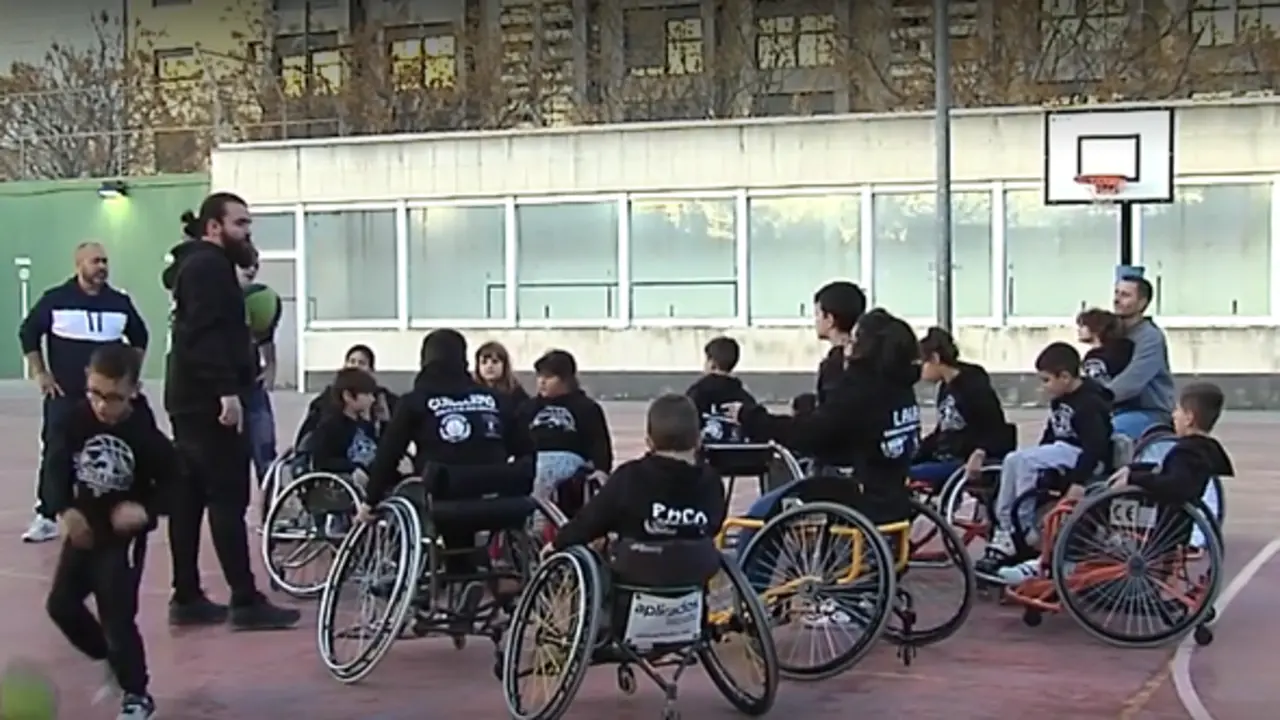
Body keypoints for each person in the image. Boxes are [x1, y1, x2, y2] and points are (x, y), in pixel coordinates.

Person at [162, 193, 300, 630]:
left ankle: (187, 595)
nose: (247, 231)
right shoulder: (208, 267)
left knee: (189, 498)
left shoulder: (196, 265)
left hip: (188, 398)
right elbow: (203, 335)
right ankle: (244, 598)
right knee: (225, 496)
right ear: (214, 226)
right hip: (207, 401)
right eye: (239, 223)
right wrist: (226, 391)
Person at [360, 329, 532, 619]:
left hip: (442, 502)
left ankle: (417, 576)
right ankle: (471, 575)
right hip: (501, 505)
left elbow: (388, 455)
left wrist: (370, 501)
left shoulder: (416, 401)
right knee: (466, 499)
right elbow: (526, 449)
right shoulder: (495, 399)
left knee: (411, 497)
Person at [43, 345, 171, 720]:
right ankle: (110, 658)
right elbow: (54, 466)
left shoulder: (144, 433)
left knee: (117, 615)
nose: (102, 405)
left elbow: (177, 482)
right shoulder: (75, 420)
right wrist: (63, 509)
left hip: (120, 540)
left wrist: (145, 510)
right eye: (95, 393)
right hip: (84, 530)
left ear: (134, 391)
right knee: (61, 605)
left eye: (113, 397)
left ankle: (137, 695)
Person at [727, 308, 923, 526]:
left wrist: (752, 418)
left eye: (853, 340)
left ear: (864, 348)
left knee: (758, 513)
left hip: (860, 496)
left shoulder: (858, 390)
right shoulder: (902, 389)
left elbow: (811, 434)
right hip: (895, 497)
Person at [19, 241, 149, 543]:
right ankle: (48, 515)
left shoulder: (119, 303)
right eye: (95, 261)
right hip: (66, 395)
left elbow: (140, 337)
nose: (102, 267)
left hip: (107, 399)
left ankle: (111, 509)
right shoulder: (55, 300)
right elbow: (28, 333)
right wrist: (41, 373)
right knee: (57, 451)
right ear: (79, 265)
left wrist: (130, 379)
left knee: (112, 449)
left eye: (105, 261)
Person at [547, 394, 724, 589]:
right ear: (698, 440)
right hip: (693, 574)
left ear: (649, 442)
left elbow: (590, 521)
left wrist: (557, 543)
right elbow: (714, 525)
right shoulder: (711, 481)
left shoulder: (630, 476)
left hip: (637, 576)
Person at [975, 342, 1113, 582]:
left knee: (1024, 462)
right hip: (1063, 450)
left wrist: (1078, 481)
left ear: (1065, 377)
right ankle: (1007, 526)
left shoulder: (1090, 403)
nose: (1043, 387)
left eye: (1047, 380)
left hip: (1081, 454)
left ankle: (1023, 528)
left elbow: (1095, 445)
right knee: (1013, 460)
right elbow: (1052, 433)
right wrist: (1040, 453)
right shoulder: (1060, 400)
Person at [910, 327, 1012, 489]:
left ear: (935, 358)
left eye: (922, 363)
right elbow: (943, 429)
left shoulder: (973, 385)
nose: (920, 371)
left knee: (907, 474)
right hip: (945, 454)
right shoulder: (945, 387)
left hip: (964, 459)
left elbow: (994, 426)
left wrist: (980, 452)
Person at [521, 349, 613, 525]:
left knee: (548, 468)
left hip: (569, 461)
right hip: (534, 459)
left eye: (549, 377)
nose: (541, 382)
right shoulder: (528, 408)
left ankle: (542, 517)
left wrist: (601, 469)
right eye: (539, 376)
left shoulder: (586, 407)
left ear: (566, 379)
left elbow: (599, 444)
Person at [1113, 382, 1233, 504]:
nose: (1173, 415)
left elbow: (1172, 484)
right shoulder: (1207, 451)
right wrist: (1134, 469)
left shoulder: (1187, 452)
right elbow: (1167, 471)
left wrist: (1133, 478)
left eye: (1177, 409)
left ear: (1189, 418)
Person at [1107, 275, 1175, 440]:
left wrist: (1095, 398)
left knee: (1107, 431)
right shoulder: (1111, 332)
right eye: (1116, 293)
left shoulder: (1150, 337)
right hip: (1115, 409)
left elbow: (1132, 380)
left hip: (1150, 412)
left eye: (1125, 295)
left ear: (1142, 303)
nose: (1117, 299)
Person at [238, 260, 283, 486]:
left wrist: (271, 367)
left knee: (265, 454)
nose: (252, 269)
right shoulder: (217, 300)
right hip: (225, 388)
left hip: (252, 386)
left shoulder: (260, 299)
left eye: (255, 264)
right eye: (246, 264)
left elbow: (266, 339)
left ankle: (272, 501)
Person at [296, 344, 397, 444]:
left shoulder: (383, 398)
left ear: (371, 370)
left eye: (361, 363)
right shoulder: (326, 399)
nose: (355, 366)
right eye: (352, 361)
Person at [310, 368, 381, 478]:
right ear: (348, 396)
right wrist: (351, 468)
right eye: (367, 394)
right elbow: (323, 461)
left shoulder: (366, 424)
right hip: (348, 480)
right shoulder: (331, 427)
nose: (372, 399)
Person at [685, 336, 757, 444]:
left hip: (705, 452)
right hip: (738, 452)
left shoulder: (696, 393)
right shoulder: (744, 397)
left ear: (711, 363)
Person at [811, 281, 867, 404]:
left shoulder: (834, 365)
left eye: (817, 314)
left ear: (830, 319)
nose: (815, 321)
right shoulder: (870, 354)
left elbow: (829, 412)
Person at [1076, 308, 1134, 387]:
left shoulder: (1094, 357)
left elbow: (1095, 386)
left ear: (1096, 327)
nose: (1079, 330)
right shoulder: (1126, 348)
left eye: (1083, 326)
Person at [474, 340, 530, 410]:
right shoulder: (472, 392)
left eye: (495, 361)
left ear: (504, 365)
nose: (489, 366)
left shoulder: (516, 394)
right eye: (484, 362)